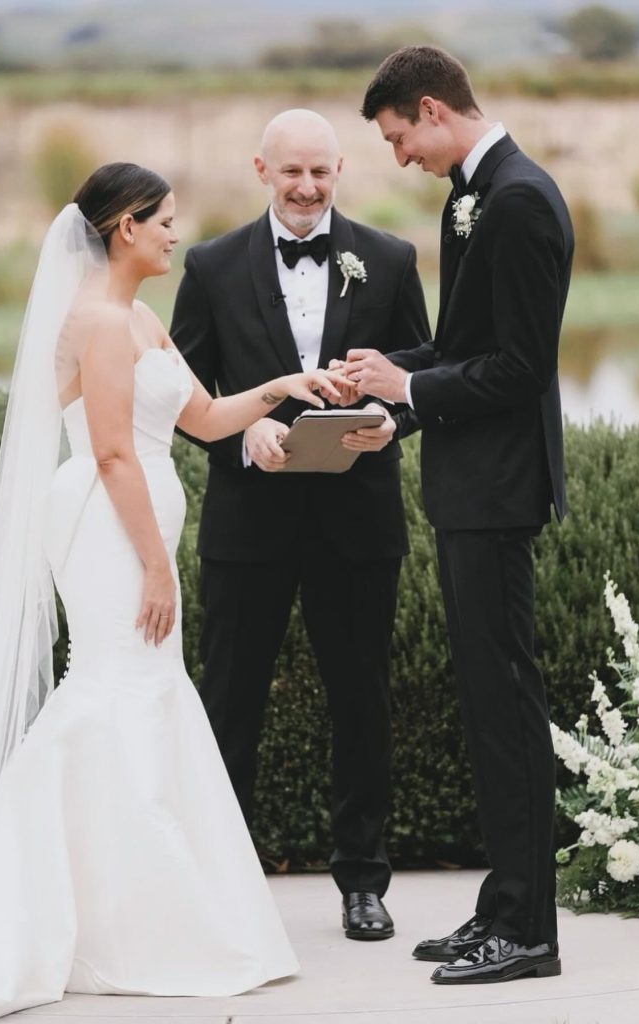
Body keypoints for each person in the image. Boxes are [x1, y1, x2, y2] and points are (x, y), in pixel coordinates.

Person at [0, 163, 347, 1023]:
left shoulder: (140, 317)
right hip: (107, 530)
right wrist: (155, 563)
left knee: (145, 691)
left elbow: (200, 419)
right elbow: (115, 452)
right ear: (124, 226)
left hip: (136, 523)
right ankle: (77, 902)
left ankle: (126, 904)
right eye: (162, 221)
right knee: (111, 687)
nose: (173, 234)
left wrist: (281, 389)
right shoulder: (93, 321)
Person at [337, 46, 573, 984]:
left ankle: (528, 932)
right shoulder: (473, 195)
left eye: (398, 138)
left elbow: (519, 368)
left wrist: (414, 387)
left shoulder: (515, 200)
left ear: (431, 110)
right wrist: (388, 396)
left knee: (506, 707)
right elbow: (464, 346)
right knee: (486, 704)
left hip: (498, 490)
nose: (399, 157)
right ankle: (501, 908)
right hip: (469, 487)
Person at [170, 109, 430, 941]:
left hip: (357, 523)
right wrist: (242, 429)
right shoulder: (210, 267)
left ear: (340, 168)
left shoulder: (388, 260)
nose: (308, 189)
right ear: (260, 169)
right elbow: (179, 393)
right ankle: (222, 883)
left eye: (321, 173)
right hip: (248, 524)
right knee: (228, 705)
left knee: (360, 704)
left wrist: (389, 422)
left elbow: (423, 373)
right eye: (292, 174)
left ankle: (363, 883)